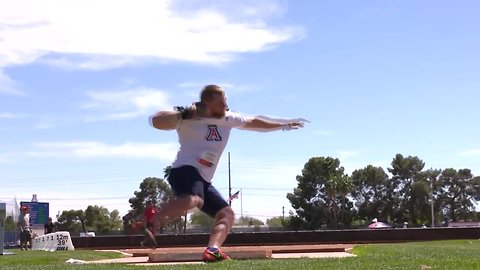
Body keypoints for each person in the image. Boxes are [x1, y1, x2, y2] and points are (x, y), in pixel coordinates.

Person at [149, 84, 306, 262]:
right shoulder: (189, 116)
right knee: (194, 200)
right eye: (222, 101)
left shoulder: (229, 118)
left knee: (226, 214)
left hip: (203, 178)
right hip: (184, 170)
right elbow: (156, 120)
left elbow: (254, 121)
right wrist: (183, 114)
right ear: (208, 103)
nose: (226, 104)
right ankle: (153, 217)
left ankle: (212, 250)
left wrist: (282, 124)